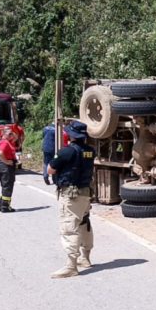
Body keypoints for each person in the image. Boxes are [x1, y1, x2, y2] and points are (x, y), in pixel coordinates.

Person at [47, 120, 96, 279]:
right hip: (85, 193)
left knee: (69, 227)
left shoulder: (66, 152)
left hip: (71, 195)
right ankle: (85, 257)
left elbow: (50, 169)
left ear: (70, 135)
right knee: (84, 223)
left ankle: (71, 266)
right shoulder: (90, 151)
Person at [0, 127, 18, 213]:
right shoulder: (5, 143)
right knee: (8, 186)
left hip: (3, 165)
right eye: (9, 134)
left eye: (11, 134)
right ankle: (5, 206)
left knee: (5, 185)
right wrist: (6, 161)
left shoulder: (7, 141)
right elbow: (0, 153)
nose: (11, 135)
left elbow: (16, 138)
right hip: (5, 166)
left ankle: (1, 205)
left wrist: (12, 132)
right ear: (4, 134)